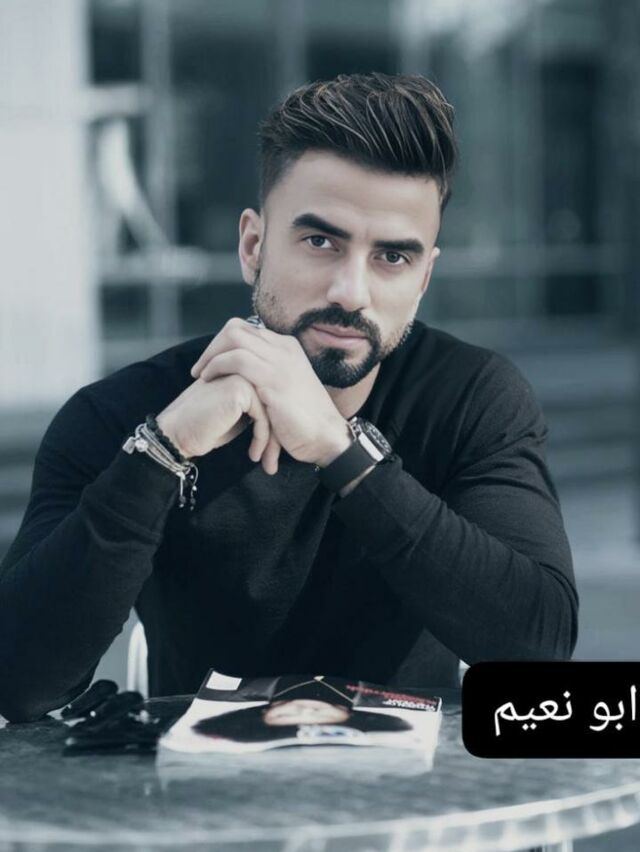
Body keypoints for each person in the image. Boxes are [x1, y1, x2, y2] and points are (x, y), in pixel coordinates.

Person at [0, 72, 577, 723]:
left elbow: (538, 651)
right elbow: (17, 683)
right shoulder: (122, 413)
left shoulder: (471, 397)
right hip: (194, 784)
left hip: (420, 784)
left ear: (423, 278)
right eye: (320, 242)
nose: (351, 292)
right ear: (253, 246)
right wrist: (161, 452)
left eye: (392, 258)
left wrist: (341, 451)